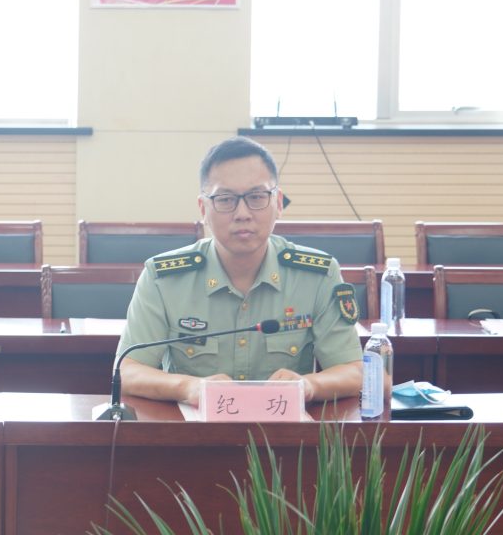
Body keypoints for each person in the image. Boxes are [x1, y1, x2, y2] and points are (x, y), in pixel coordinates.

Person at [117, 136, 362, 406]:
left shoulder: (318, 276)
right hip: (194, 428)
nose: (242, 213)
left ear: (279, 203)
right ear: (203, 209)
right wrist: (189, 388)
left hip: (283, 427)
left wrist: (308, 385)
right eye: (225, 199)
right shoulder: (162, 278)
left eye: (257, 197)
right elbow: (128, 372)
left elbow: (353, 371)